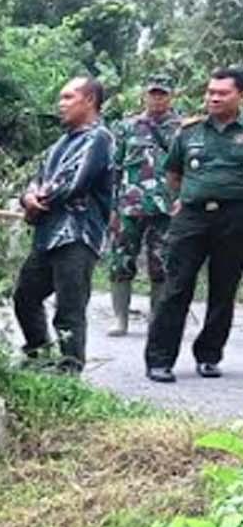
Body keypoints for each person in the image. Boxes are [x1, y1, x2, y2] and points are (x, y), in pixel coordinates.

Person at [146, 66, 243, 383]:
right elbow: (173, 172)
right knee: (176, 286)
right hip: (191, 217)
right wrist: (181, 197)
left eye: (222, 93)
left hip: (235, 218)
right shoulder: (190, 131)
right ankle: (159, 360)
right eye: (211, 92)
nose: (214, 97)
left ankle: (209, 356)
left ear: (239, 95)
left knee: (223, 288)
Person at [12, 77, 115, 375]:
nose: (61, 104)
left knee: (69, 309)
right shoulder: (60, 143)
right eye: (61, 97)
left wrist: (37, 200)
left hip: (78, 235)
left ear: (90, 101)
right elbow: (36, 179)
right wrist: (27, 197)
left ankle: (69, 372)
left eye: (69, 97)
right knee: (25, 296)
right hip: (48, 234)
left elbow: (73, 184)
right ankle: (39, 354)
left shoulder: (99, 139)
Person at [108, 76, 181, 336]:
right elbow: (114, 167)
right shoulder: (127, 127)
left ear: (171, 97)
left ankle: (157, 320)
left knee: (161, 262)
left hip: (166, 207)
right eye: (153, 94)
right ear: (144, 95)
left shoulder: (182, 128)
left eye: (162, 94)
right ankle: (120, 319)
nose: (157, 99)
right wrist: (111, 207)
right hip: (129, 204)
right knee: (121, 260)